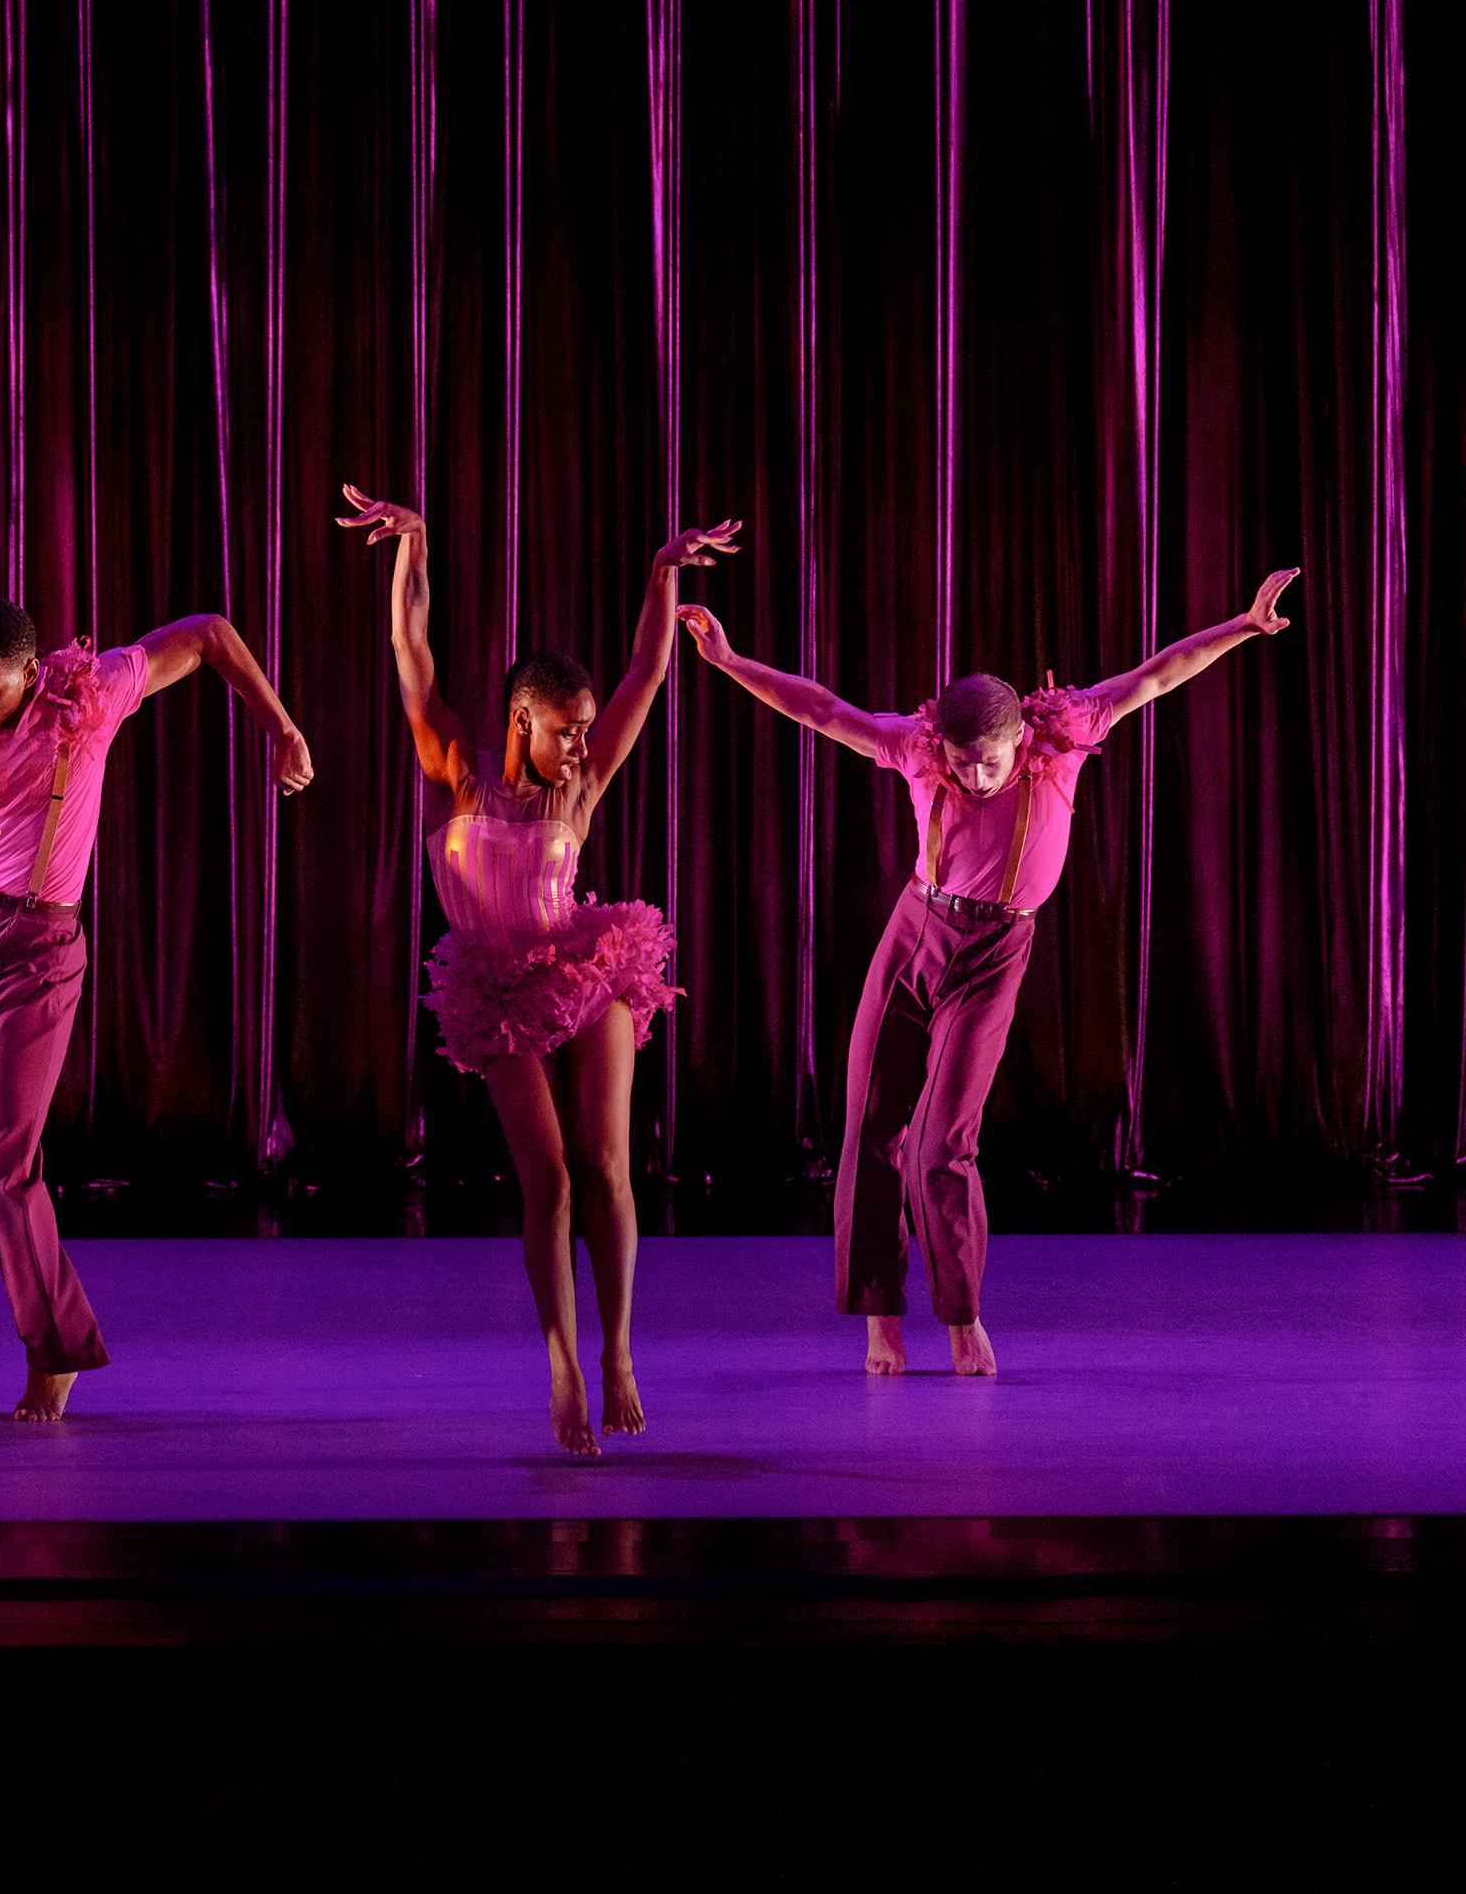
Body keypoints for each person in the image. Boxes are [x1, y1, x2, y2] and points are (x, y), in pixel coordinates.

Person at [677, 566, 1301, 1375]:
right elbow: (824, 709)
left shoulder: (1067, 736)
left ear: (1019, 740)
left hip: (996, 952)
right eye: (961, 763)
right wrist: (730, 662)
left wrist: (1243, 625)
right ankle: (878, 1313)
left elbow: (1156, 674)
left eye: (988, 762)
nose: (974, 777)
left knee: (944, 1142)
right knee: (870, 1128)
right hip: (914, 932)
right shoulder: (916, 749)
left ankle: (961, 1313)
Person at [0, 594, 313, 1424]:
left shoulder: (89, 695)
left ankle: (56, 1351)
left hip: (33, 950)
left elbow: (207, 636)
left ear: (30, 672)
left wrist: (280, 727)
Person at [341, 486, 736, 1456]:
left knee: (607, 1165)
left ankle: (618, 1354)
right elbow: (411, 656)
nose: (578, 744)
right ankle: (561, 1362)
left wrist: (663, 571)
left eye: (584, 728)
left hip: (584, 964)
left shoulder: (586, 783)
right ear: (522, 720)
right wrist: (414, 550)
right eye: (564, 729)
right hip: (498, 988)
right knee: (550, 1182)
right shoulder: (458, 774)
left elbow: (649, 670)